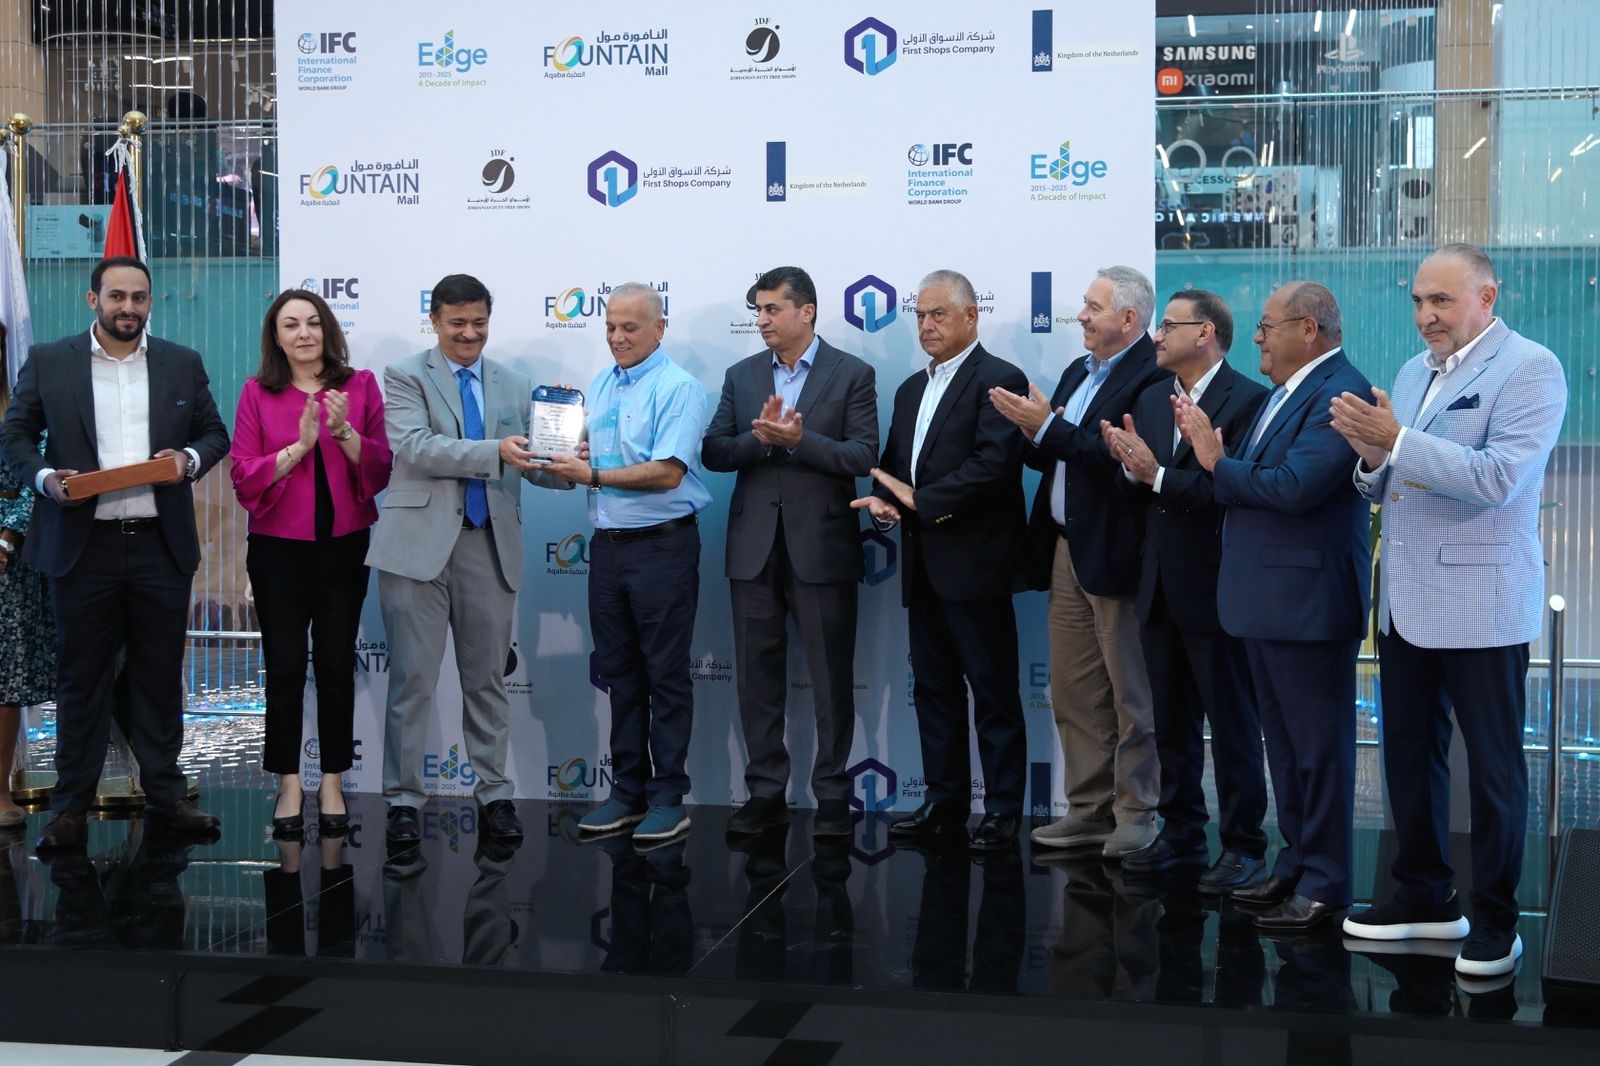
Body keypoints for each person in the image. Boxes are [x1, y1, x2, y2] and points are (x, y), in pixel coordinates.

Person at [1332, 244, 1566, 979]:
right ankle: (1424, 895)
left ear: (1486, 297)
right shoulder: (1413, 372)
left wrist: (1396, 440)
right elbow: (1386, 483)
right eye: (1417, 300)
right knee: (1407, 755)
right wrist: (1371, 458)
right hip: (1406, 602)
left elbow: (1499, 478)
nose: (1425, 315)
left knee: (1494, 770)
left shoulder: (1531, 367)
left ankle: (1496, 920)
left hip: (1481, 603)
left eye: (1441, 300)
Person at [0, 256, 230, 850]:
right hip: (82, 548)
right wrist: (46, 479)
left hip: (160, 545)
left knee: (158, 677)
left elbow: (214, 434)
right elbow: (16, 437)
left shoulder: (181, 362)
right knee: (82, 679)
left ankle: (167, 798)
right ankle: (70, 809)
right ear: (93, 300)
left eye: (139, 297)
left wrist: (187, 461)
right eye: (117, 296)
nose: (129, 307)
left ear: (150, 302)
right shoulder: (50, 360)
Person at [1175, 280, 1371, 931]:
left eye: (1267, 325)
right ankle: (1296, 863)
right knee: (1285, 751)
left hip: (1308, 607)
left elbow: (1294, 487)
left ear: (1308, 330)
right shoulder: (1287, 392)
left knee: (1319, 754)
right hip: (1266, 603)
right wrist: (1220, 463)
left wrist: (1214, 461)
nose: (1256, 337)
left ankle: (1327, 883)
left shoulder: (1341, 393)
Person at [368, 273, 572, 849]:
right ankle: (403, 800)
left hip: (489, 544)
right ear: (433, 321)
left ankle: (495, 794)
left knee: (486, 681)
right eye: (456, 322)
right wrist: (495, 451)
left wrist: (565, 458)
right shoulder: (405, 374)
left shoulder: (517, 384)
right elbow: (415, 446)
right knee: (412, 681)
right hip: (416, 550)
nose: (469, 333)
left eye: (479, 322)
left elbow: (532, 464)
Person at [991, 265, 1169, 860]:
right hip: (1065, 549)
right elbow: (1059, 454)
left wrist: (1048, 427)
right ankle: (1088, 809)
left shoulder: (1152, 377)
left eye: (1093, 307)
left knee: (1131, 696)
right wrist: (1033, 431)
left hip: (1117, 555)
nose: (1081, 316)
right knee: (1073, 690)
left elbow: (1119, 460)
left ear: (1129, 318)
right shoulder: (1077, 370)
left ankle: (1137, 811)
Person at [1097, 290, 1270, 892]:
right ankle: (1181, 834)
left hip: (1219, 589)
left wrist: (1155, 475)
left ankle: (1245, 846)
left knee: (1233, 726)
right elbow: (1138, 491)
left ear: (1205, 333)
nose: (1157, 335)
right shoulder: (1151, 397)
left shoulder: (1248, 401)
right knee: (1169, 723)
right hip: (1159, 585)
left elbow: (1227, 491)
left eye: (1169, 325)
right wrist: (1129, 469)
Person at [851, 269, 1028, 852]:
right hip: (922, 564)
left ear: (971, 316)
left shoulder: (1000, 378)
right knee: (933, 689)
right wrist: (884, 504)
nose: (926, 325)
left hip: (977, 565)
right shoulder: (909, 389)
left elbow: (992, 466)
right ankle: (944, 802)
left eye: (938, 314)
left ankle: (1002, 810)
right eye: (920, 315)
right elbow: (892, 468)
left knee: (993, 694)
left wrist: (919, 501)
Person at [701, 266, 878, 839]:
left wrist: (800, 440)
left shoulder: (852, 374)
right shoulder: (742, 374)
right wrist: (759, 439)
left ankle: (833, 795)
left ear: (807, 311)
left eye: (772, 309)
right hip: (753, 547)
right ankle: (764, 792)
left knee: (831, 677)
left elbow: (862, 456)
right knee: (756, 676)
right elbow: (713, 451)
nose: (761, 321)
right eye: (758, 310)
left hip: (822, 546)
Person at [542, 283, 711, 844]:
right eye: (610, 326)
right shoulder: (601, 383)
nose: (617, 337)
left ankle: (669, 798)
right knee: (621, 676)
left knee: (665, 676)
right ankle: (627, 792)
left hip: (662, 548)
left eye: (630, 327)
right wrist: (580, 454)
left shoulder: (679, 387)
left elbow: (666, 471)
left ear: (659, 329)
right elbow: (610, 456)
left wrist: (591, 474)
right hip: (609, 549)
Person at [231, 289, 392, 837]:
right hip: (277, 548)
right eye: (291, 325)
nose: (304, 333)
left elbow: (380, 469)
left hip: (343, 545)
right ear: (276, 338)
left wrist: (343, 432)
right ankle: (288, 782)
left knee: (334, 664)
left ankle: (332, 780)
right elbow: (243, 475)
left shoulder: (359, 385)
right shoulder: (257, 393)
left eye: (313, 322)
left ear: (327, 330)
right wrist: (298, 447)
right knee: (283, 667)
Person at [1, 321, 59, 829]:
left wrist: (7, 537)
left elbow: (35, 480)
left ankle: (0, 792)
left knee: (4, 683)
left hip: (7, 566)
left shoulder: (19, 412)